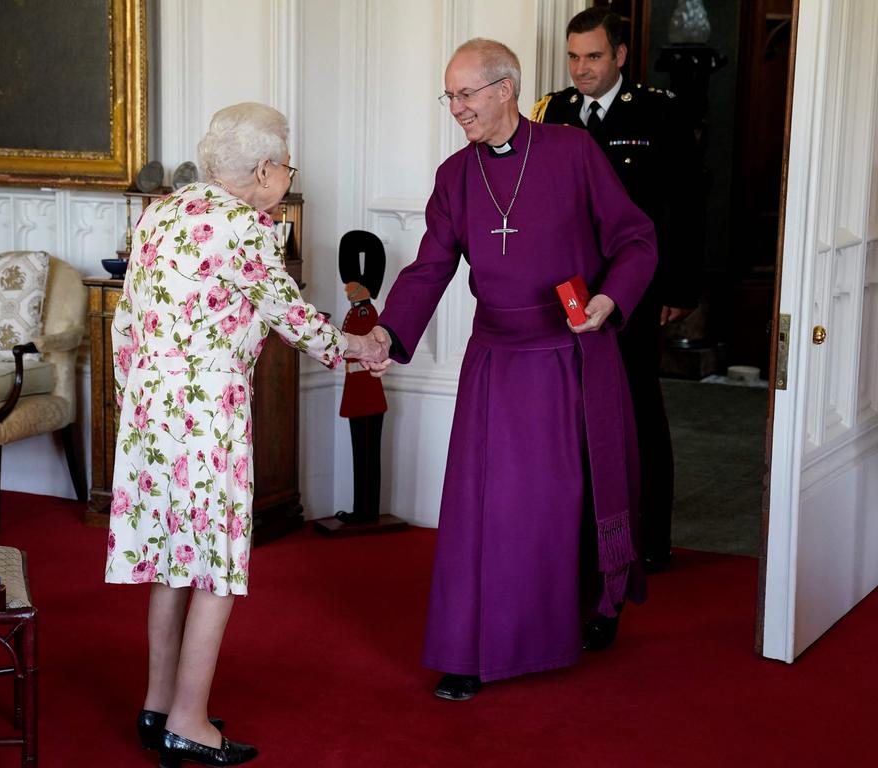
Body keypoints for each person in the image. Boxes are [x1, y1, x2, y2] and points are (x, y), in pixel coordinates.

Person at [365, 38, 657, 701]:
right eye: (451, 96)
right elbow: (430, 267)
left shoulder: (573, 153)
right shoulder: (454, 176)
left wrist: (610, 301)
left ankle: (591, 610)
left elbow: (635, 238)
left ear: (505, 89)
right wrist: (388, 329)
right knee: (484, 510)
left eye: (466, 94)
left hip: (571, 351)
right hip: (496, 360)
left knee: (567, 499)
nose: (457, 109)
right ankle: (470, 648)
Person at [105, 102, 386, 766]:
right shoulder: (250, 228)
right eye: (286, 164)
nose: (287, 175)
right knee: (214, 569)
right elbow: (291, 316)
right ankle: (189, 721)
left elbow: (125, 322)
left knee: (173, 560)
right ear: (263, 169)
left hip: (149, 412)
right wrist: (357, 346)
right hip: (207, 417)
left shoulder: (161, 214)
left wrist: (136, 400)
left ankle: (157, 705)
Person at [532, 7, 702, 573]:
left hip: (633, 286)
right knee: (573, 408)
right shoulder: (553, 112)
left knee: (636, 408)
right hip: (568, 288)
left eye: (594, 56)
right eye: (574, 56)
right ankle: (583, 535)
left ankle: (650, 539)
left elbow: (684, 207)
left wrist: (679, 286)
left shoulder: (658, 113)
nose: (581, 69)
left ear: (621, 56)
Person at [334, 230, 388, 525]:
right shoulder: (358, 310)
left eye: (351, 285)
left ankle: (367, 510)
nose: (347, 290)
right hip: (359, 388)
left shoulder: (365, 313)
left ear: (362, 288)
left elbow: (363, 347)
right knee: (362, 454)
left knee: (367, 454)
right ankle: (363, 508)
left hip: (365, 389)